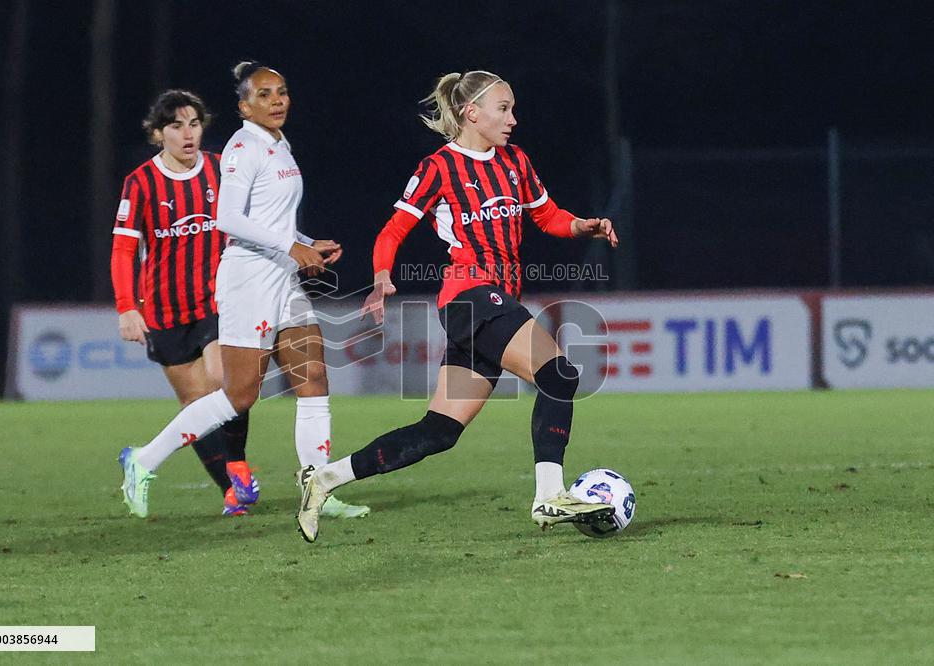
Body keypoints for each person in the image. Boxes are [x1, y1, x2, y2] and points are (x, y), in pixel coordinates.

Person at [296, 70, 620, 542]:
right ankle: (549, 495)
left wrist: (582, 225)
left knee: (438, 432)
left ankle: (325, 479)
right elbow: (393, 230)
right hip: (468, 296)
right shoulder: (439, 167)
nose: (513, 118)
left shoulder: (515, 162)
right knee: (559, 375)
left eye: (512, 109)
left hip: (494, 301)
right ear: (473, 113)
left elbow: (547, 216)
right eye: (503, 108)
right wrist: (383, 276)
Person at [118, 63, 369, 520]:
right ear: (243, 106)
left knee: (313, 380)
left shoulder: (280, 145)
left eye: (282, 91)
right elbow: (228, 219)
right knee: (239, 396)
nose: (277, 100)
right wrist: (292, 246)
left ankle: (319, 490)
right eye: (265, 94)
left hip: (283, 277)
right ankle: (143, 459)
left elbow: (271, 220)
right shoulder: (242, 147)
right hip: (248, 279)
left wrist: (307, 244)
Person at [111, 89, 252, 516]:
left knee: (227, 384)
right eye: (176, 126)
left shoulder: (220, 170)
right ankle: (230, 490)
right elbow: (122, 251)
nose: (188, 134)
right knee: (196, 408)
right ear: (158, 134)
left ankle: (239, 470)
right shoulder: (140, 183)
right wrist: (126, 307)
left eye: (194, 124)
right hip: (165, 311)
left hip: (215, 302)